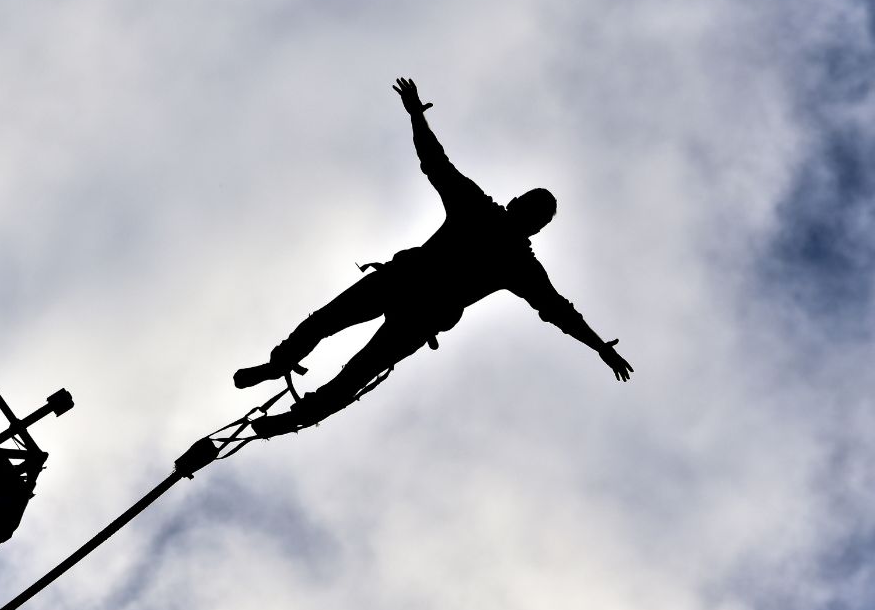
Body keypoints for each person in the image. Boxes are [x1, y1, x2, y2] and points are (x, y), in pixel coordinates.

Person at [237, 78, 633, 438]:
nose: (531, 219)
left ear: (535, 227)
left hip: (419, 311)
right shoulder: (483, 215)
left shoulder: (517, 260)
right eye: (533, 211)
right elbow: (436, 162)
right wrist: (416, 118)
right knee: (331, 330)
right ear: (520, 208)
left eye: (537, 217)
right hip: (404, 285)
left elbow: (559, 310)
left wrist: (598, 346)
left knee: (355, 364)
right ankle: (281, 368)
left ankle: (298, 405)